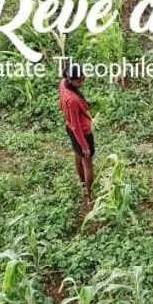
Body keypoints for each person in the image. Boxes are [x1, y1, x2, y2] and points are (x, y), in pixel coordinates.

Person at [58, 64, 95, 202]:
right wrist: (85, 145)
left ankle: (82, 184)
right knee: (87, 163)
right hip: (82, 132)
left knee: (78, 155)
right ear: (71, 80)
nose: (82, 82)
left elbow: (61, 103)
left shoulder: (63, 83)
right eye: (79, 81)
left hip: (70, 128)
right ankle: (90, 195)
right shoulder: (73, 100)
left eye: (83, 78)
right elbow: (76, 126)